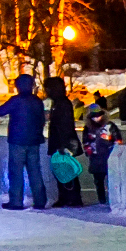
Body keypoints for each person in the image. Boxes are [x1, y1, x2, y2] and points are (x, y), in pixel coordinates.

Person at [0, 74, 46, 210]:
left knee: (16, 171)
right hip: (34, 141)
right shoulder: (37, 101)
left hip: (17, 141)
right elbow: (42, 120)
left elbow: (0, 111)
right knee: (35, 171)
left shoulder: (16, 100)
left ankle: (16, 202)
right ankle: (40, 201)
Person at [45, 77, 83, 207]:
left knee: (67, 171)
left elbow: (65, 126)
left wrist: (63, 145)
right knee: (62, 170)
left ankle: (72, 198)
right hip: (60, 142)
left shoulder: (62, 104)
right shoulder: (59, 103)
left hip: (63, 143)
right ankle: (67, 197)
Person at [81, 104, 124, 206]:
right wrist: (89, 150)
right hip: (96, 157)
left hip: (109, 156)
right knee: (98, 180)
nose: (96, 118)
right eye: (94, 116)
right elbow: (85, 141)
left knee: (111, 179)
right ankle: (102, 199)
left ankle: (112, 199)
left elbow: (118, 140)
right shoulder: (87, 128)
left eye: (98, 116)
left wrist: (116, 152)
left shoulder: (110, 126)